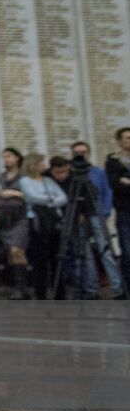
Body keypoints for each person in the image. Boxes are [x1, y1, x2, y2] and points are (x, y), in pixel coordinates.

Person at [69, 141, 124, 300]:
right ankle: (90, 289)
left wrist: (105, 212)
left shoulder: (98, 172)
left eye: (84, 152)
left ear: (89, 153)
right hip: (79, 218)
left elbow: (107, 192)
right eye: (77, 152)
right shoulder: (71, 173)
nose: (81, 155)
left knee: (105, 251)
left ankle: (118, 287)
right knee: (85, 253)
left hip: (97, 216)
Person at [18, 153, 66, 300]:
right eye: (41, 163)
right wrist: (51, 199)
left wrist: (48, 201)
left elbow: (63, 197)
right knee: (40, 259)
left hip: (53, 221)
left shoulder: (48, 180)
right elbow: (33, 198)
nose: (44, 166)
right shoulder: (25, 181)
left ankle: (59, 291)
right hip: (37, 221)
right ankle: (40, 292)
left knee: (56, 257)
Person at [0, 156, 30, 300]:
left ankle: (22, 287)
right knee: (10, 252)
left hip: (20, 217)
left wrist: (13, 193)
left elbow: (29, 195)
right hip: (4, 217)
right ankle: (16, 285)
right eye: (4, 156)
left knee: (17, 250)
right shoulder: (2, 176)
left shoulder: (24, 177)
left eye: (9, 155)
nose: (6, 159)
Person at [106, 127, 130, 295]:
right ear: (120, 142)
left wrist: (126, 180)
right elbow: (115, 185)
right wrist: (122, 182)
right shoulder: (113, 162)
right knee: (127, 252)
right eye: (128, 138)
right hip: (125, 211)